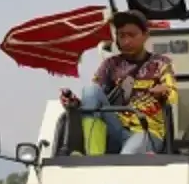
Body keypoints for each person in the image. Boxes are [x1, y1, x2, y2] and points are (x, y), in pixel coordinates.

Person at [60, 10, 178, 154]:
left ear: (145, 35)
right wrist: (74, 103)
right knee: (89, 91)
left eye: (132, 35)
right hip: (116, 128)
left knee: (126, 156)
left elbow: (173, 96)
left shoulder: (161, 63)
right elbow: (94, 99)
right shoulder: (110, 64)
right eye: (122, 36)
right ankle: (92, 157)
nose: (126, 41)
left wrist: (163, 91)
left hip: (146, 131)